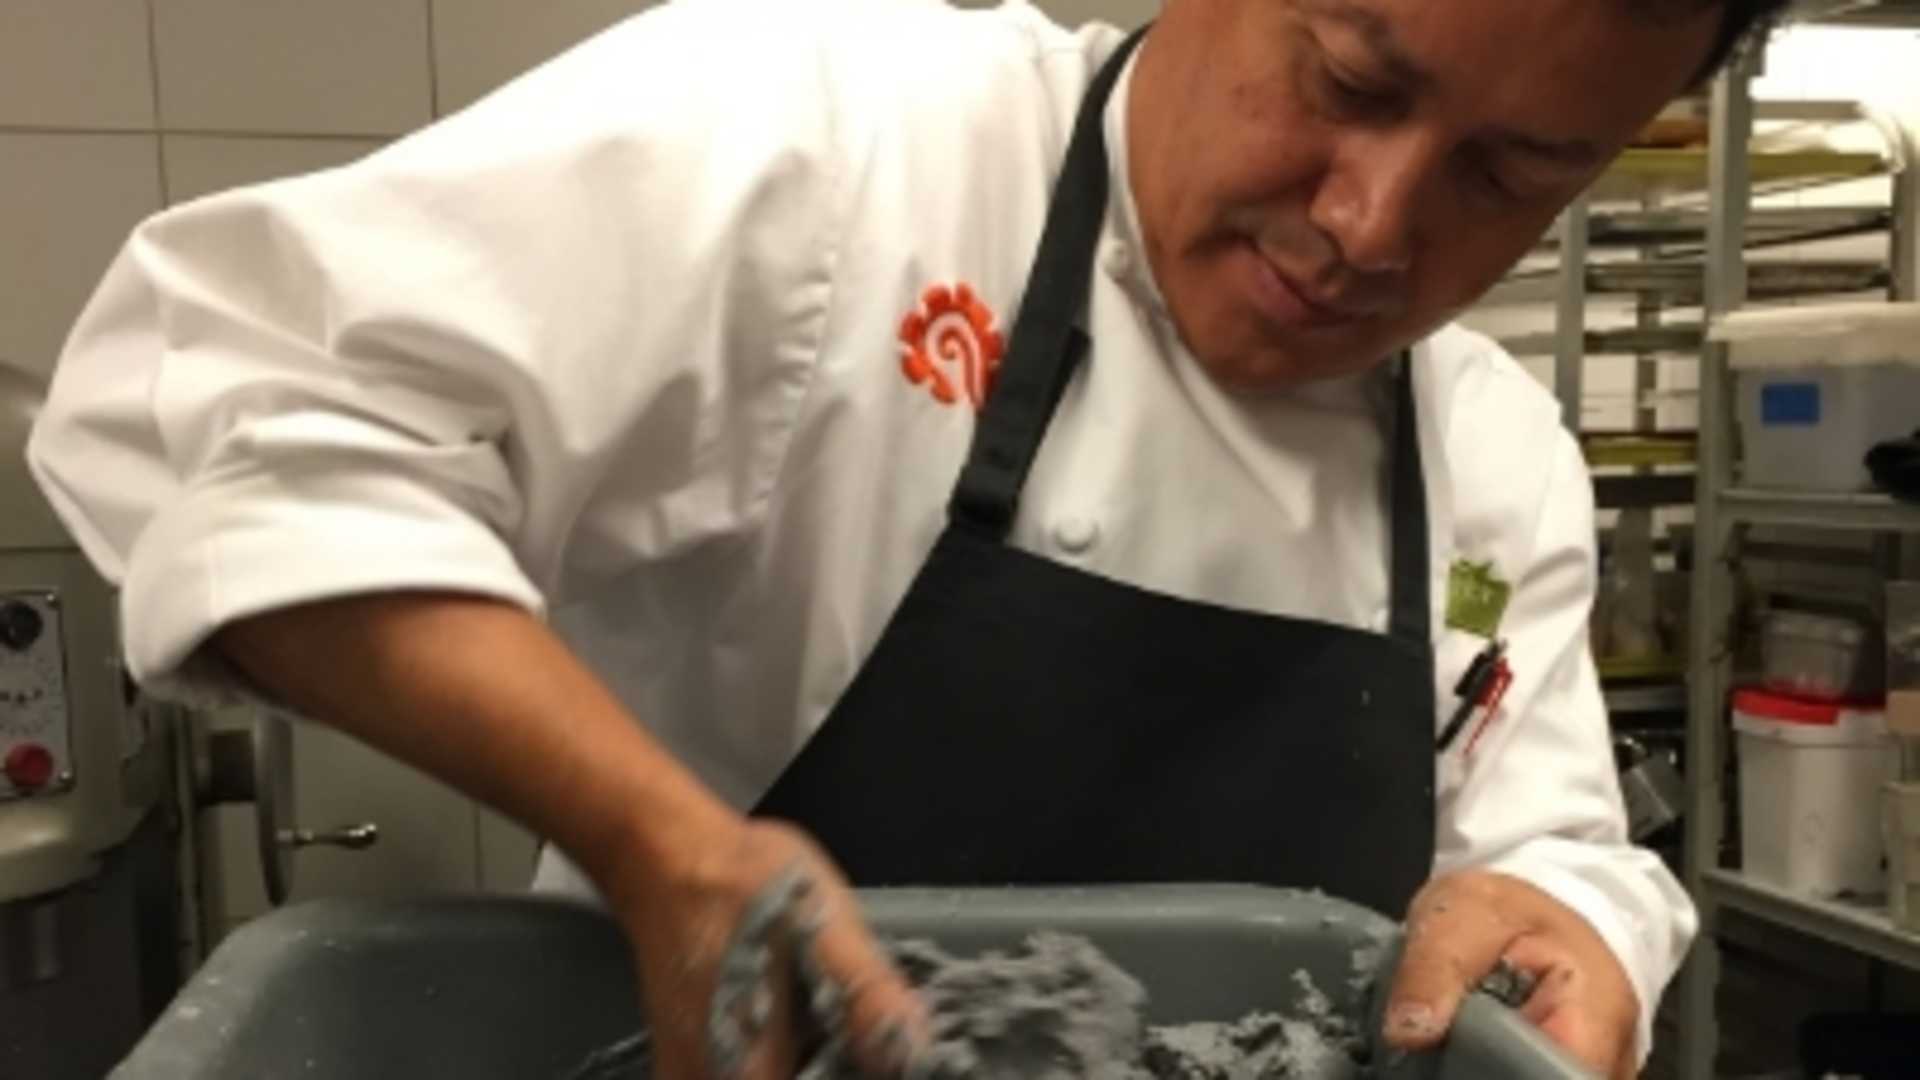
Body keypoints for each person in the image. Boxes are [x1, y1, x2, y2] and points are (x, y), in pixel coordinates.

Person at [28, 0, 1783, 1075]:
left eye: (1509, 177)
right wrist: (660, 839)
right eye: (1346, 77)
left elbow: (1549, 841)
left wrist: (1563, 922)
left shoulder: (1490, 448)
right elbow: (229, 399)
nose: (1370, 223)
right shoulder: (840, 147)